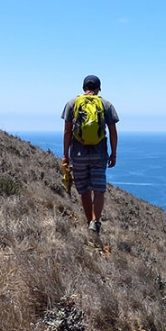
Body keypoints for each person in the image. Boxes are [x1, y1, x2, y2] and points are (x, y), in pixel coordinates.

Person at [62, 75, 119, 235]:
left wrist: (65, 155)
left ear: (83, 88)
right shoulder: (106, 104)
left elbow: (67, 131)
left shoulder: (72, 103)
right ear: (99, 88)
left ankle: (90, 224)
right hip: (99, 153)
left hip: (78, 153)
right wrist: (113, 154)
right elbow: (113, 132)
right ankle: (95, 222)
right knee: (99, 190)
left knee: (84, 190)